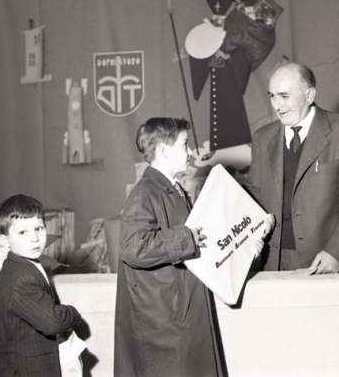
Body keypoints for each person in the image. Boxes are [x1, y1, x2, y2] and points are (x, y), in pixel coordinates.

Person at [114, 117, 272, 377]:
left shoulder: (172, 189)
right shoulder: (145, 193)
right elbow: (133, 247)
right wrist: (186, 238)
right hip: (164, 323)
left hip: (178, 311)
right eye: (184, 144)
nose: (190, 152)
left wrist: (243, 249)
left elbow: (197, 243)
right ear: (163, 150)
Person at [247, 62, 339, 273]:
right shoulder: (262, 138)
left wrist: (337, 252)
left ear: (309, 95)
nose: (277, 106)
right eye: (272, 96)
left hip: (323, 260)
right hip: (270, 261)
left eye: (284, 96)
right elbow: (253, 194)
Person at [0, 194, 83, 377]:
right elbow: (52, 323)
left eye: (38, 228)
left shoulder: (21, 265)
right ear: (5, 240)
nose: (34, 238)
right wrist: (73, 313)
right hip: (21, 369)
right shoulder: (21, 278)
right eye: (23, 232)